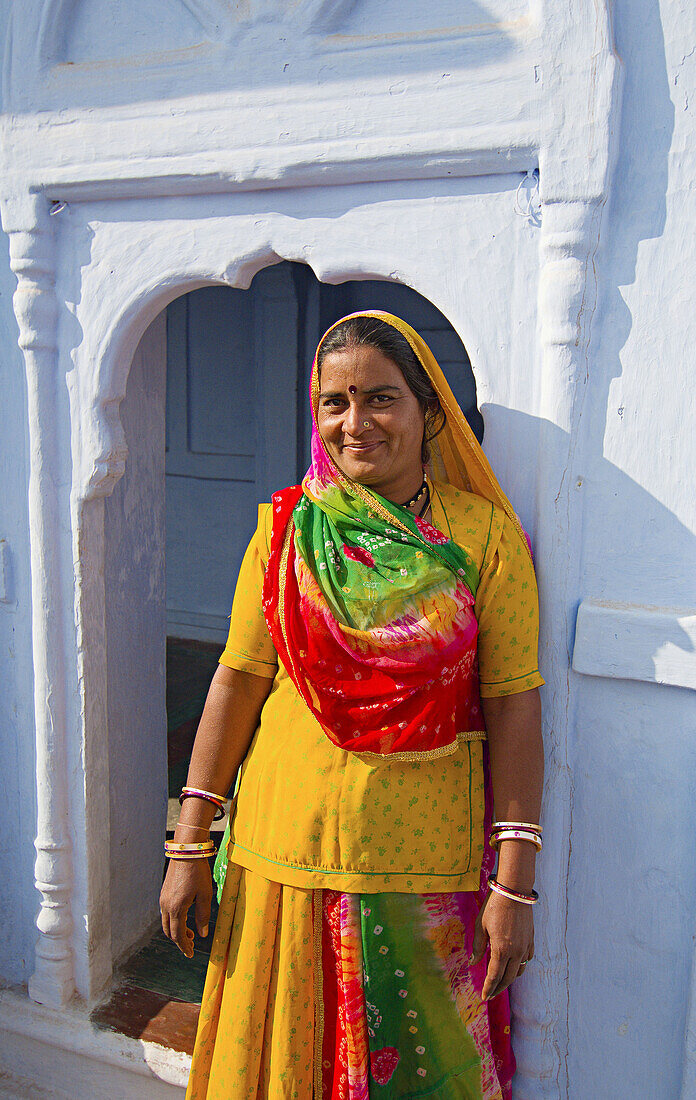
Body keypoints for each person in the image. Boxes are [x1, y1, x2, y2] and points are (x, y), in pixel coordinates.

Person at [160, 311, 545, 1098]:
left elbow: (512, 705)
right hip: (280, 848)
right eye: (334, 402)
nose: (354, 422)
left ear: (426, 410)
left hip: (419, 858)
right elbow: (236, 680)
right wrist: (189, 844)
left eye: (380, 398)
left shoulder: (483, 540)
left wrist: (513, 885)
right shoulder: (283, 530)